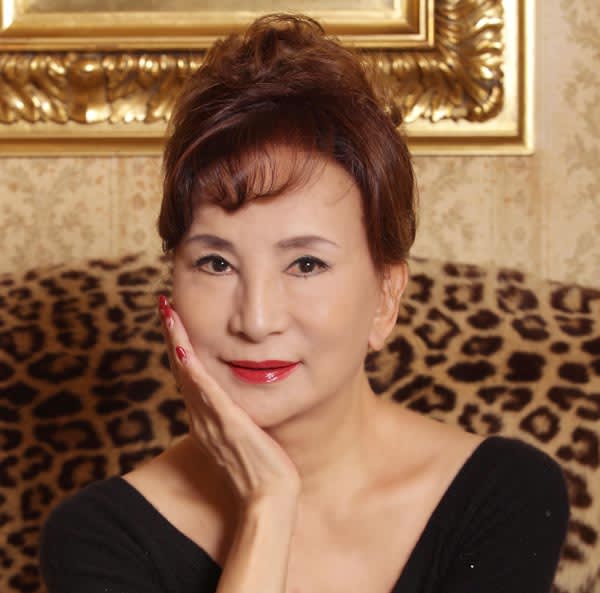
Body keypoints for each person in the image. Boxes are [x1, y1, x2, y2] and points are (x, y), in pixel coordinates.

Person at [39, 13, 570, 593]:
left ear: (385, 298)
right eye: (216, 263)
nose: (256, 320)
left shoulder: (503, 494)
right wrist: (268, 507)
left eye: (306, 264)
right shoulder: (96, 538)